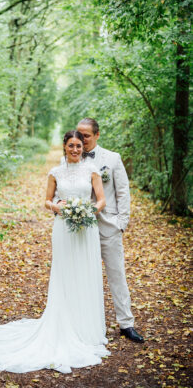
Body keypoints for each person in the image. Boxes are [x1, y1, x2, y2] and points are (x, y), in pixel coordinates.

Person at [0, 130, 110, 374]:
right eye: (71, 146)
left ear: (82, 148)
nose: (75, 150)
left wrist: (88, 211)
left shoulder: (92, 170)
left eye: (78, 146)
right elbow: (47, 200)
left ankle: (87, 328)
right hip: (63, 228)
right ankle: (63, 323)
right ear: (64, 147)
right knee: (65, 274)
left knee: (86, 273)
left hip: (87, 230)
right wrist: (56, 206)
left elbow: (101, 200)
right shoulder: (55, 172)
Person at [76, 117, 144, 343]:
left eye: (85, 135)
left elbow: (123, 192)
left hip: (109, 226)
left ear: (96, 135)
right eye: (79, 134)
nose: (81, 139)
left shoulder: (112, 159)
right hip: (81, 228)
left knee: (116, 274)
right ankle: (86, 324)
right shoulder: (71, 156)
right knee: (85, 276)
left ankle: (126, 324)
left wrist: (121, 223)